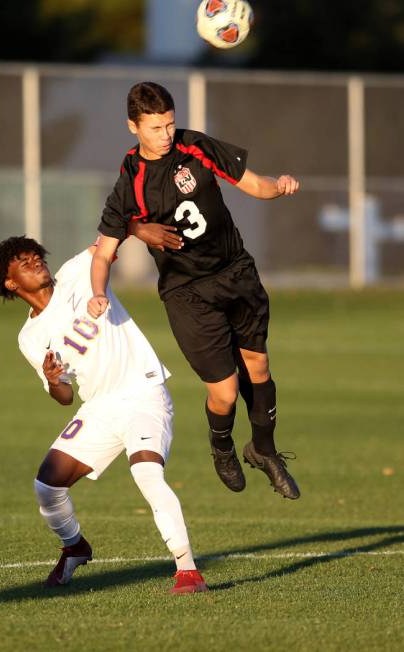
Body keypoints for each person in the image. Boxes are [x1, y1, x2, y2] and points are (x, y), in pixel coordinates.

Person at [88, 81, 301, 500]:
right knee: (224, 391)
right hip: (188, 292)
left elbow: (255, 184)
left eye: (169, 124)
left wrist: (280, 186)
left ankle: (264, 450)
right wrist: (99, 290)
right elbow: (102, 252)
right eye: (155, 128)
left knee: (259, 369)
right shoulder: (130, 182)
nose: (166, 135)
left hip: (236, 271)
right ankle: (222, 445)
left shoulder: (195, 147)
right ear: (133, 126)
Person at [0, 235, 208, 594]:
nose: (36, 263)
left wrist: (138, 221)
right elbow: (65, 397)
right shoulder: (30, 337)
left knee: (147, 474)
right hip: (99, 406)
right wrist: (54, 380)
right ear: (10, 283)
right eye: (24, 264)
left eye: (36, 257)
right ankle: (75, 547)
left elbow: (110, 238)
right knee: (47, 486)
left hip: (142, 393)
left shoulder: (77, 272)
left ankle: (187, 570)